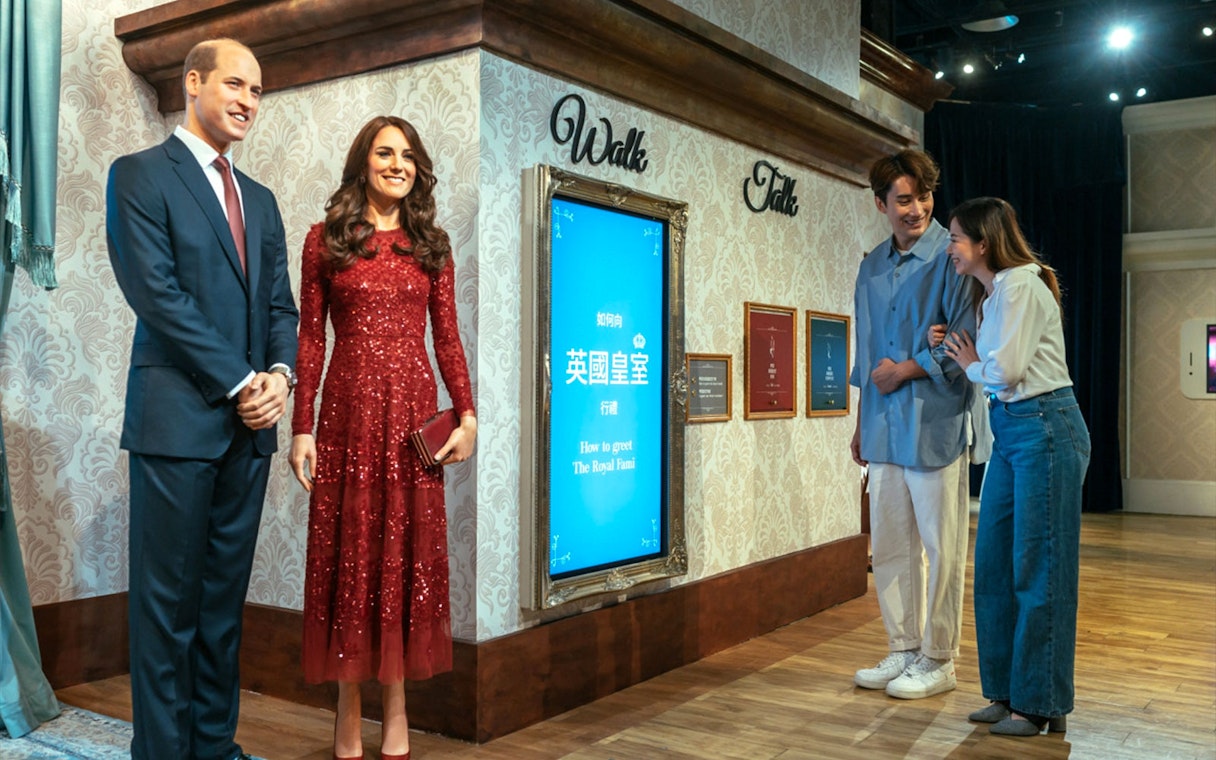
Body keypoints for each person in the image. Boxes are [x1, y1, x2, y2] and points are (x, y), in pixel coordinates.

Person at [106, 38, 299, 760]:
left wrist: (279, 377)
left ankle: (214, 748)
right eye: (236, 84)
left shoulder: (263, 200)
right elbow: (157, 296)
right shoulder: (139, 176)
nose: (250, 100)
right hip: (175, 425)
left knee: (220, 612)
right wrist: (241, 381)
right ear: (194, 83)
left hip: (249, 436)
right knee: (166, 613)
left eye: (258, 90)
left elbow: (282, 306)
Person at [289, 115, 477, 760]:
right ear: (362, 163)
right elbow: (310, 340)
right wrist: (301, 427)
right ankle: (346, 710)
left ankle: (396, 708)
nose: (396, 164)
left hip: (410, 420)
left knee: (405, 559)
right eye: (383, 153)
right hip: (343, 417)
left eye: (406, 156)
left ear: (418, 168)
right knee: (349, 556)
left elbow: (447, 338)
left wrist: (469, 415)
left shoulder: (432, 245)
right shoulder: (325, 240)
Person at [938, 197, 1090, 737]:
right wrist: (964, 351)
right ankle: (1007, 692)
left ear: (983, 242)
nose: (950, 247)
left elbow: (1004, 371)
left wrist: (970, 361)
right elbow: (997, 366)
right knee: (996, 564)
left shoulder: (1021, 284)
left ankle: (1040, 702)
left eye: (956, 237)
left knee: (1039, 569)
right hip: (1014, 430)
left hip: (1045, 426)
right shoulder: (995, 293)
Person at [849, 149, 977, 700]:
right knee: (892, 545)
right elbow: (867, 354)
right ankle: (903, 647)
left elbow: (964, 344)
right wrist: (860, 424)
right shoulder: (870, 265)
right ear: (881, 204)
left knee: (941, 546)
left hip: (935, 423)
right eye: (904, 199)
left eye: (923, 197)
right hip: (882, 428)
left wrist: (906, 369)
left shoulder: (952, 260)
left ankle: (939, 657)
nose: (917, 208)